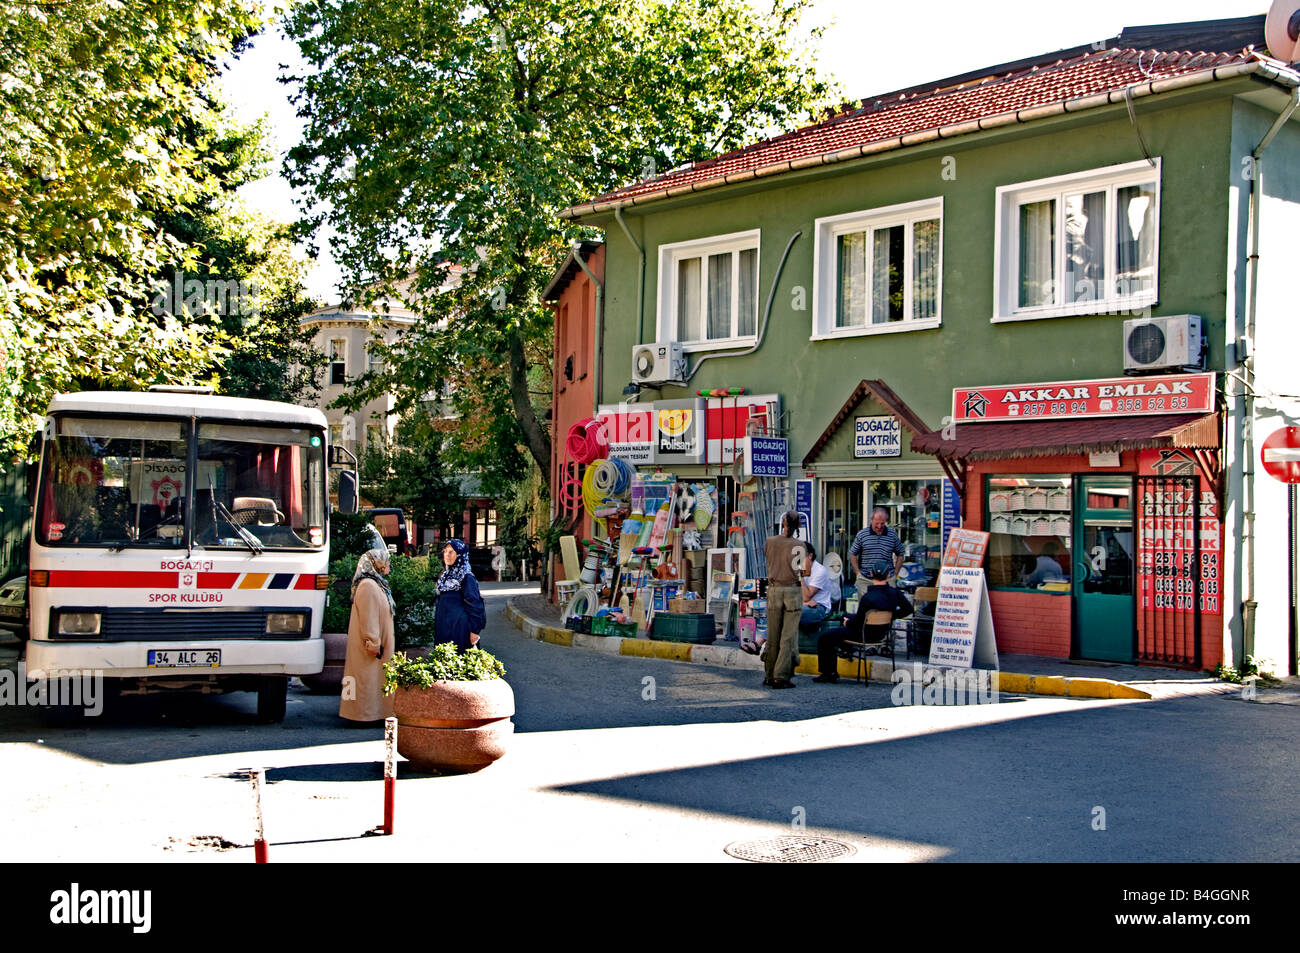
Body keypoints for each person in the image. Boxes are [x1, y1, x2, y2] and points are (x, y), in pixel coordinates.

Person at [813, 560, 912, 684]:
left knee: (825, 637)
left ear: (870, 574)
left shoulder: (868, 598)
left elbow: (858, 622)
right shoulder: (895, 593)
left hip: (863, 634)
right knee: (845, 616)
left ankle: (828, 673)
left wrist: (847, 622)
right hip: (882, 633)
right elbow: (909, 609)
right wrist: (890, 616)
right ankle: (846, 649)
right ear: (888, 575)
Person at [339, 544, 396, 722]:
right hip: (371, 647)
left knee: (372, 680)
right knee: (366, 680)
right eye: (385, 562)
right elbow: (369, 618)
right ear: (376, 563)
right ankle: (362, 715)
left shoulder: (376, 584)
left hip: (377, 645)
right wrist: (373, 643)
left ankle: (373, 713)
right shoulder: (368, 586)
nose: (388, 566)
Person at [763, 511, 805, 690]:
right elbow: (802, 570)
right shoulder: (799, 545)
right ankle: (781, 676)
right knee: (787, 636)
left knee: (773, 634)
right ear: (798, 526)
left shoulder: (770, 542)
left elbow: (768, 558)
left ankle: (769, 673)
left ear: (782, 523)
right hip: (792, 591)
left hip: (773, 589)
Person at [435, 538, 486, 651]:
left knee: (460, 662)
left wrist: (474, 631)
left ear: (460, 555)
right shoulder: (445, 575)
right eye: (445, 551)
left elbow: (476, 605)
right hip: (444, 627)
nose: (447, 555)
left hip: (460, 629)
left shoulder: (466, 577)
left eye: (451, 552)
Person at [849, 507, 905, 596]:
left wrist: (895, 573)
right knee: (866, 608)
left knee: (887, 607)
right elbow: (852, 554)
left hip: (887, 580)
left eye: (882, 523)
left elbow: (900, 554)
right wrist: (858, 573)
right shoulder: (862, 535)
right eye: (877, 523)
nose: (879, 526)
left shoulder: (892, 535)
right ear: (871, 520)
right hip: (866, 580)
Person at [799, 541, 832, 631]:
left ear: (810, 556)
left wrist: (799, 577)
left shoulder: (820, 571)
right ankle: (761, 642)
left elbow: (806, 596)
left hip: (818, 607)